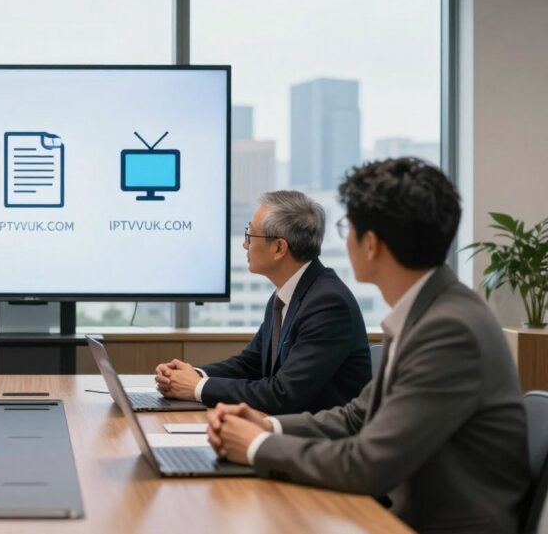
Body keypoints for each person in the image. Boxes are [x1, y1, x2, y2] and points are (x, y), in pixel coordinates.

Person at [209, 158, 530, 532]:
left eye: (348, 227)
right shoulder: (426, 311)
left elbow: (369, 464)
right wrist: (267, 425)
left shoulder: (449, 330)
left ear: (372, 244)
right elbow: (357, 416)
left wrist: (256, 446)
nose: (343, 240)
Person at [155, 190, 371, 414]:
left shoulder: (327, 304)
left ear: (278, 248)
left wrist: (197, 387)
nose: (245, 246)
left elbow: (283, 394)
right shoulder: (287, 294)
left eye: (250, 235)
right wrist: (193, 374)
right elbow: (251, 363)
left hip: (321, 441)